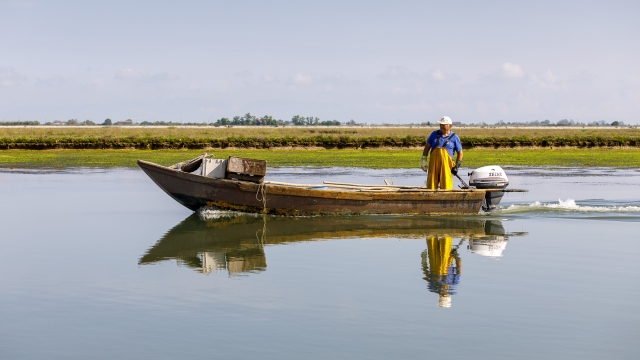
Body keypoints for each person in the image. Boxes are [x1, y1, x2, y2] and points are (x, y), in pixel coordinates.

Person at [421, 116, 463, 189]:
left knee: (446, 186)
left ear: (450, 125)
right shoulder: (434, 134)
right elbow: (427, 147)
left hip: (446, 166)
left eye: (444, 125)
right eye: (440, 124)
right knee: (431, 185)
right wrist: (424, 161)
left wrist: (456, 167)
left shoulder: (454, 137)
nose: (441, 126)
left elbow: (460, 153)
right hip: (434, 165)